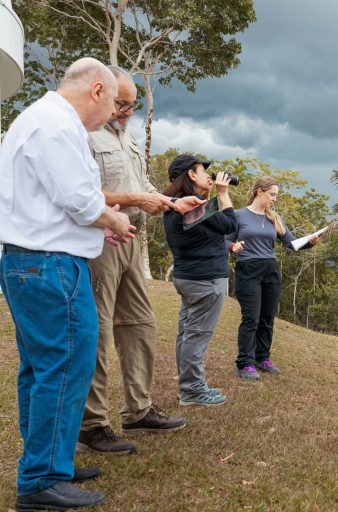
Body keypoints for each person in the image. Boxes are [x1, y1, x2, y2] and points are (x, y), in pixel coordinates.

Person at [0, 58, 134, 511]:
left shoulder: (35, 118)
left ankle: (47, 459)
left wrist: (99, 225)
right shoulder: (58, 126)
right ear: (97, 90)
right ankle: (41, 480)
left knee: (40, 367)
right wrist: (112, 218)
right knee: (66, 363)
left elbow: (57, 199)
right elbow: (78, 198)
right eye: (115, 101)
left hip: (29, 261)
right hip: (51, 265)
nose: (115, 111)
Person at [77, 66, 199, 456]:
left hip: (131, 239)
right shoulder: (84, 134)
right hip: (101, 240)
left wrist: (171, 202)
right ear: (103, 94)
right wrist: (135, 200)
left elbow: (141, 183)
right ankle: (93, 424)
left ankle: (138, 409)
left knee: (141, 325)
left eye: (133, 104)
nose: (128, 110)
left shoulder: (125, 138)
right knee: (97, 331)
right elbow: (86, 194)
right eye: (122, 103)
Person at [163, 155, 237, 406]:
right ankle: (192, 390)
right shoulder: (194, 205)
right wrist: (223, 192)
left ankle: (190, 386)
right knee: (196, 335)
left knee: (187, 334)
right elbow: (230, 224)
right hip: (205, 280)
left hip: (188, 277)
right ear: (191, 175)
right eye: (203, 171)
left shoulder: (176, 206)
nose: (209, 175)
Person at [229, 176, 319, 380]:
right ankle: (245, 363)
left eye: (276, 195)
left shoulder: (274, 218)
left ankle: (262, 358)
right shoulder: (238, 215)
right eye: (272, 194)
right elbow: (226, 240)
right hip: (248, 269)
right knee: (251, 318)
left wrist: (310, 242)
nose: (275, 199)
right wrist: (233, 247)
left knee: (267, 318)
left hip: (270, 270)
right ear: (259, 191)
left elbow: (292, 244)